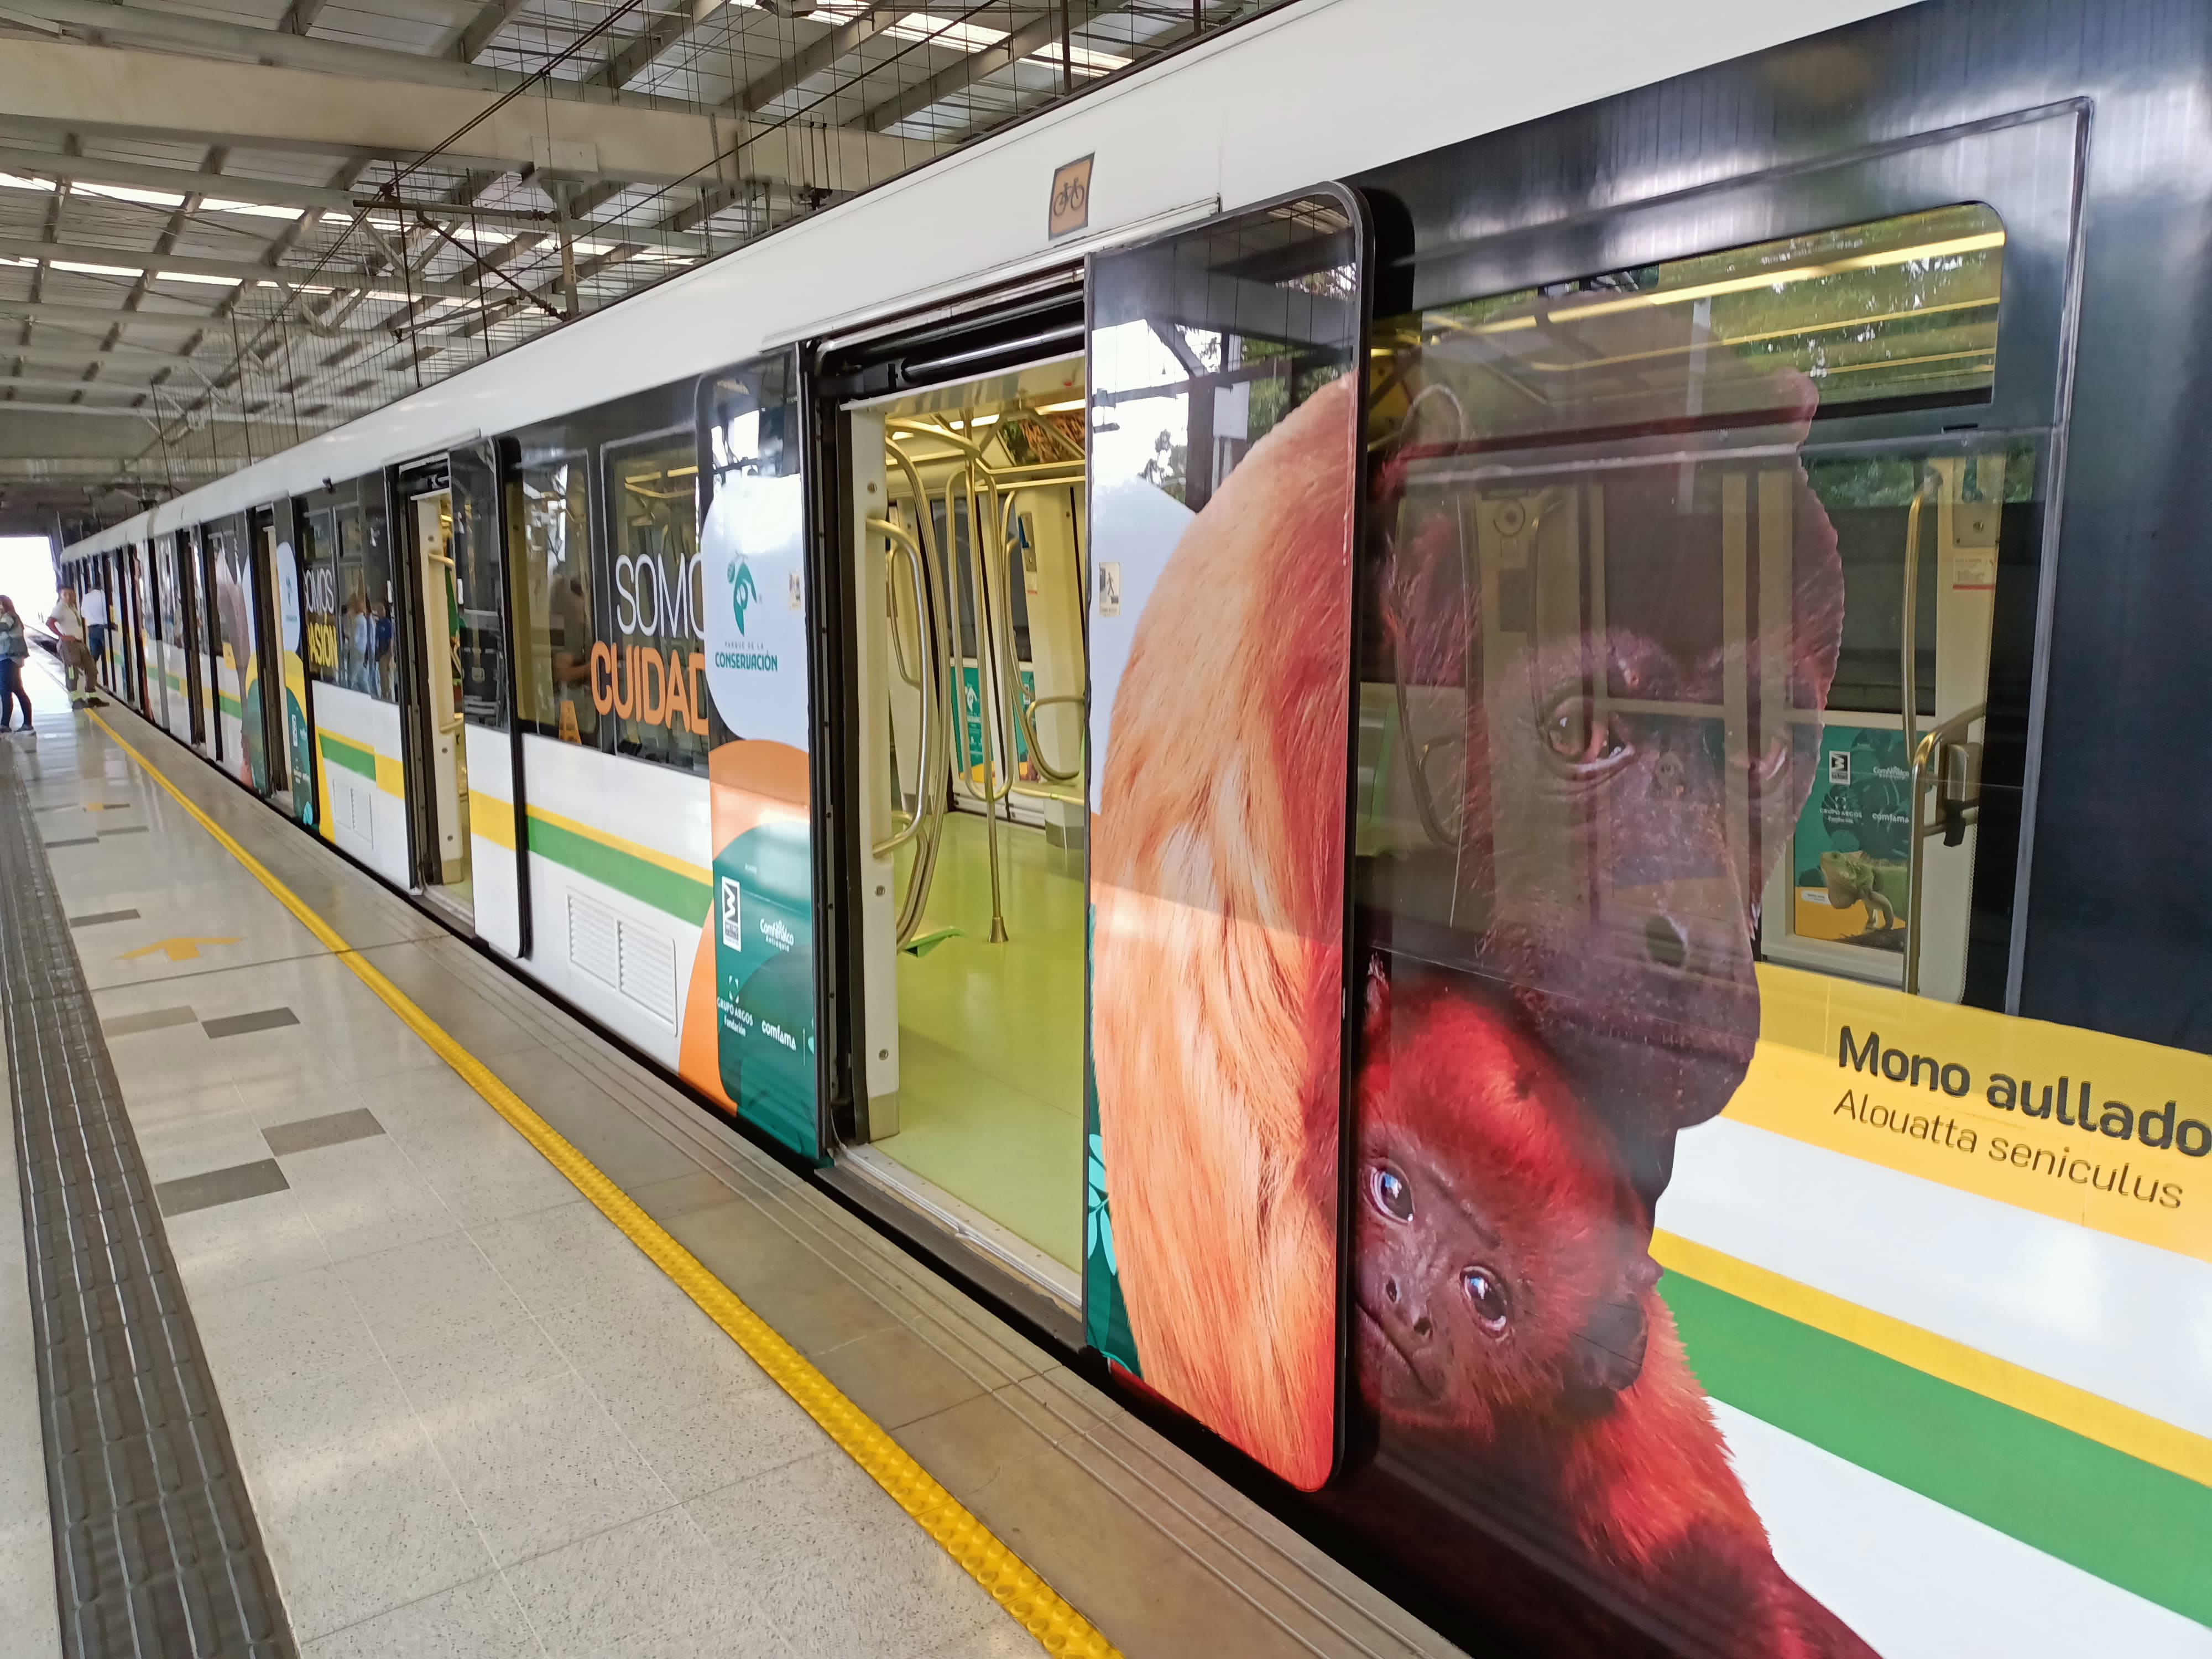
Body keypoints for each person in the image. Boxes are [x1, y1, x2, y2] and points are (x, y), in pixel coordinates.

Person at [46, 587, 102, 710]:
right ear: (61, 596)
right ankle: (75, 699)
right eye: (65, 594)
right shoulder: (60, 608)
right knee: (72, 672)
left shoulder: (72, 607)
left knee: (91, 668)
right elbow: (49, 623)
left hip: (79, 642)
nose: (68, 597)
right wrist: (62, 636)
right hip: (69, 645)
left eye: (71, 594)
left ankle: (92, 697)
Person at [0, 595, 30, 732]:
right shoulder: (7, 617)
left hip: (10, 658)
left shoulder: (10, 617)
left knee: (5, 690)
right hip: (8, 658)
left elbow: (3, 628)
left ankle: (5, 725)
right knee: (17, 690)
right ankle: (27, 724)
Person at [81, 581, 109, 686]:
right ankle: (108, 678)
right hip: (104, 628)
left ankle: (93, 679)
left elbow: (83, 614)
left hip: (92, 628)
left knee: (94, 656)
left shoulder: (86, 597)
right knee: (108, 654)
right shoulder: (104, 595)